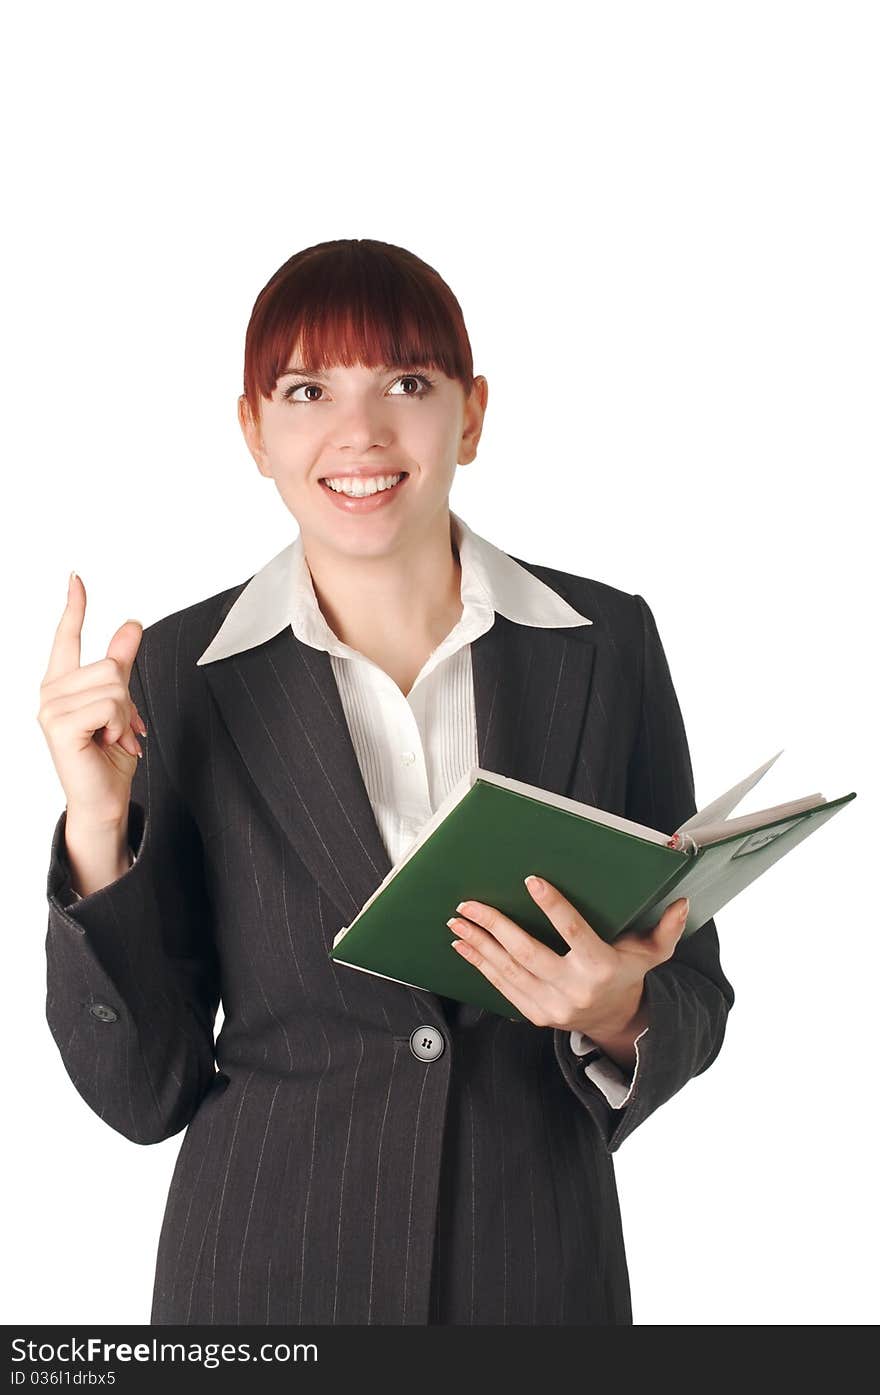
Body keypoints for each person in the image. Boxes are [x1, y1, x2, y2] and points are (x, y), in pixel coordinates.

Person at [38, 237, 735, 1326]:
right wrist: (95, 825)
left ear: (471, 414)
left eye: (406, 384)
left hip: (537, 1271)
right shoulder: (176, 674)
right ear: (252, 431)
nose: (359, 434)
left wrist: (620, 1010)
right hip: (263, 1280)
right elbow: (142, 1092)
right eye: (307, 389)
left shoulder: (603, 643)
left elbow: (693, 982)